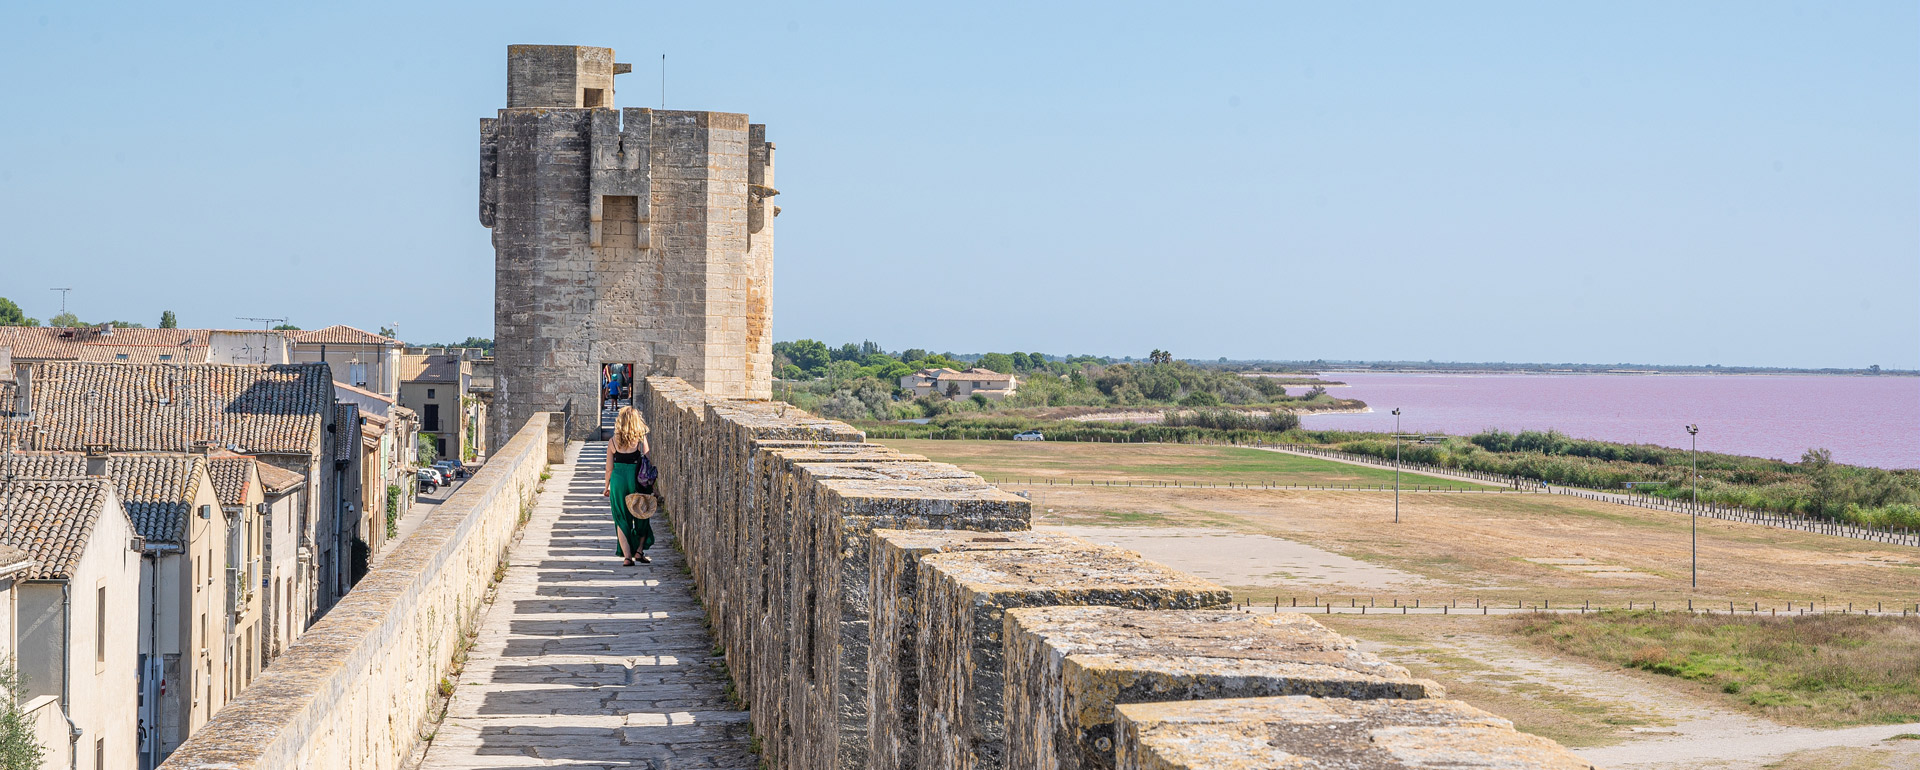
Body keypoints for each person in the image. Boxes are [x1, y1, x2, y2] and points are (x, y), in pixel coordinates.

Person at [603, 406, 656, 565]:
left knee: (621, 517)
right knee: (641, 514)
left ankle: (627, 557)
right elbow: (647, 461)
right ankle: (639, 551)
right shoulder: (640, 439)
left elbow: (608, 468)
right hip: (636, 479)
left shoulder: (613, 441)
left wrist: (607, 486)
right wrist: (651, 486)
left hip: (618, 480)